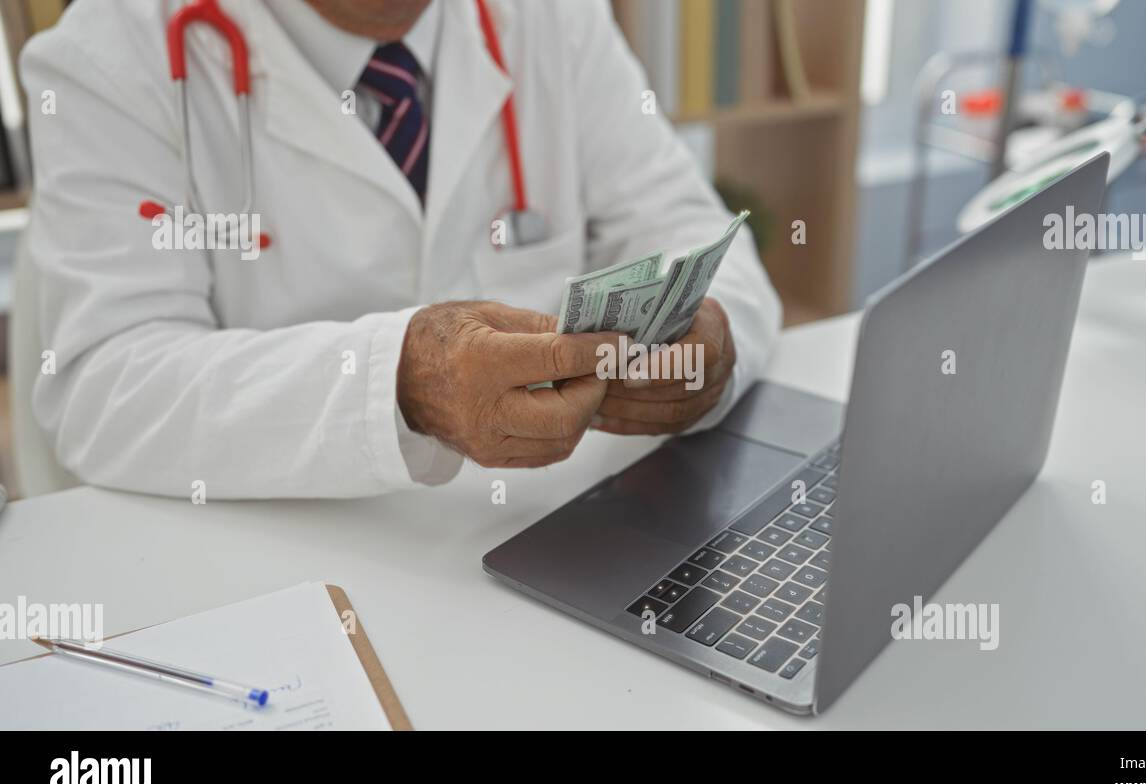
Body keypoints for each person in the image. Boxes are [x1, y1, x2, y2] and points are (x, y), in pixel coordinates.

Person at [20, 0, 780, 499]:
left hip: (542, 538)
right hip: (277, 576)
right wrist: (396, 382)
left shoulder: (552, 16)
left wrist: (714, 341)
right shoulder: (109, 55)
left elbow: (685, 219)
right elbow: (105, 382)